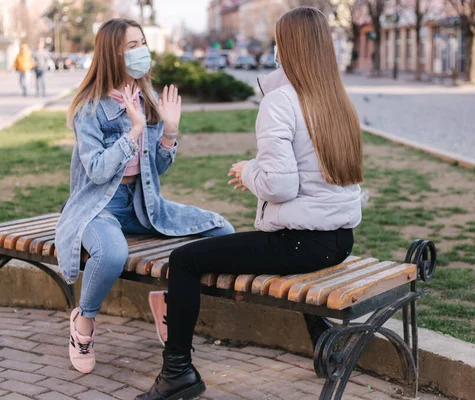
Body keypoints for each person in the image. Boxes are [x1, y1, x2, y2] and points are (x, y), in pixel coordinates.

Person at [139, 7, 363, 400]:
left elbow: (280, 187)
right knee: (247, 250)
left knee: (185, 261)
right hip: (340, 240)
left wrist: (248, 173)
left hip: (302, 242)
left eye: (279, 41)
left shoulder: (281, 102)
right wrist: (260, 168)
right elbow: (309, 170)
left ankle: (177, 373)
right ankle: (324, 337)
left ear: (288, 48)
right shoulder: (337, 99)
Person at [54, 18, 235, 375]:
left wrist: (169, 132)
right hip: (98, 207)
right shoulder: (90, 109)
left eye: (142, 42)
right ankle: (83, 322)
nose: (141, 52)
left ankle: (167, 299)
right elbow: (98, 171)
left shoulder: (146, 99)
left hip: (142, 205)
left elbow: (156, 169)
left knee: (221, 230)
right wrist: (133, 130)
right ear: (112, 54)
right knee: (111, 253)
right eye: (131, 46)